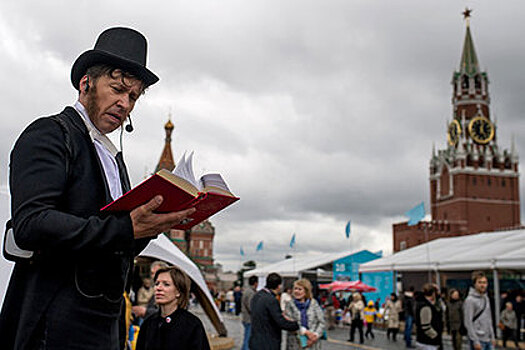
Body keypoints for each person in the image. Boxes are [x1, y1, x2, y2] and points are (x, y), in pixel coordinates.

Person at [0, 27, 196, 350]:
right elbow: (31, 224)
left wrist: (154, 224)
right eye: (118, 89)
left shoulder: (114, 159)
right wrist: (125, 227)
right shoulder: (49, 134)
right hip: (54, 325)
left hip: (106, 326)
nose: (125, 104)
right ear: (85, 83)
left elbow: (117, 241)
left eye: (133, 97)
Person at [135, 266, 211, 350]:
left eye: (166, 284)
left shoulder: (192, 325)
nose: (158, 288)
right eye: (157, 284)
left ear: (178, 291)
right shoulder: (149, 323)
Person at [249, 272, 300, 350]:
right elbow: (280, 322)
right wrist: (297, 325)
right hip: (268, 343)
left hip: (255, 341)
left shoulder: (257, 296)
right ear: (279, 286)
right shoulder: (271, 300)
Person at [284, 279, 325, 350]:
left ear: (306, 291)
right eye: (295, 289)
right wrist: (305, 332)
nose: (296, 291)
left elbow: (321, 322)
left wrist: (315, 335)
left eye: (300, 289)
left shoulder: (314, 303)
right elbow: (289, 324)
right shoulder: (290, 304)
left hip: (313, 343)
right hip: (295, 343)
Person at [463, 271, 496, 350]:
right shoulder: (470, 300)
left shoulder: (486, 298)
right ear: (475, 284)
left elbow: (489, 319)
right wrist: (475, 341)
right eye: (480, 282)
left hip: (488, 339)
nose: (483, 285)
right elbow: (468, 322)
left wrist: (493, 336)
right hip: (478, 339)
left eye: (484, 282)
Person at [415, 284, 443, 350]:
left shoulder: (424, 303)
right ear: (433, 293)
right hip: (428, 341)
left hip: (426, 340)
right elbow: (425, 325)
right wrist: (435, 336)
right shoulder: (425, 306)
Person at [241, 276, 258, 350]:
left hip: (245, 317)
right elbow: (251, 306)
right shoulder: (251, 292)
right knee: (248, 338)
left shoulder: (246, 291)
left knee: (246, 337)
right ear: (255, 283)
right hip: (249, 319)